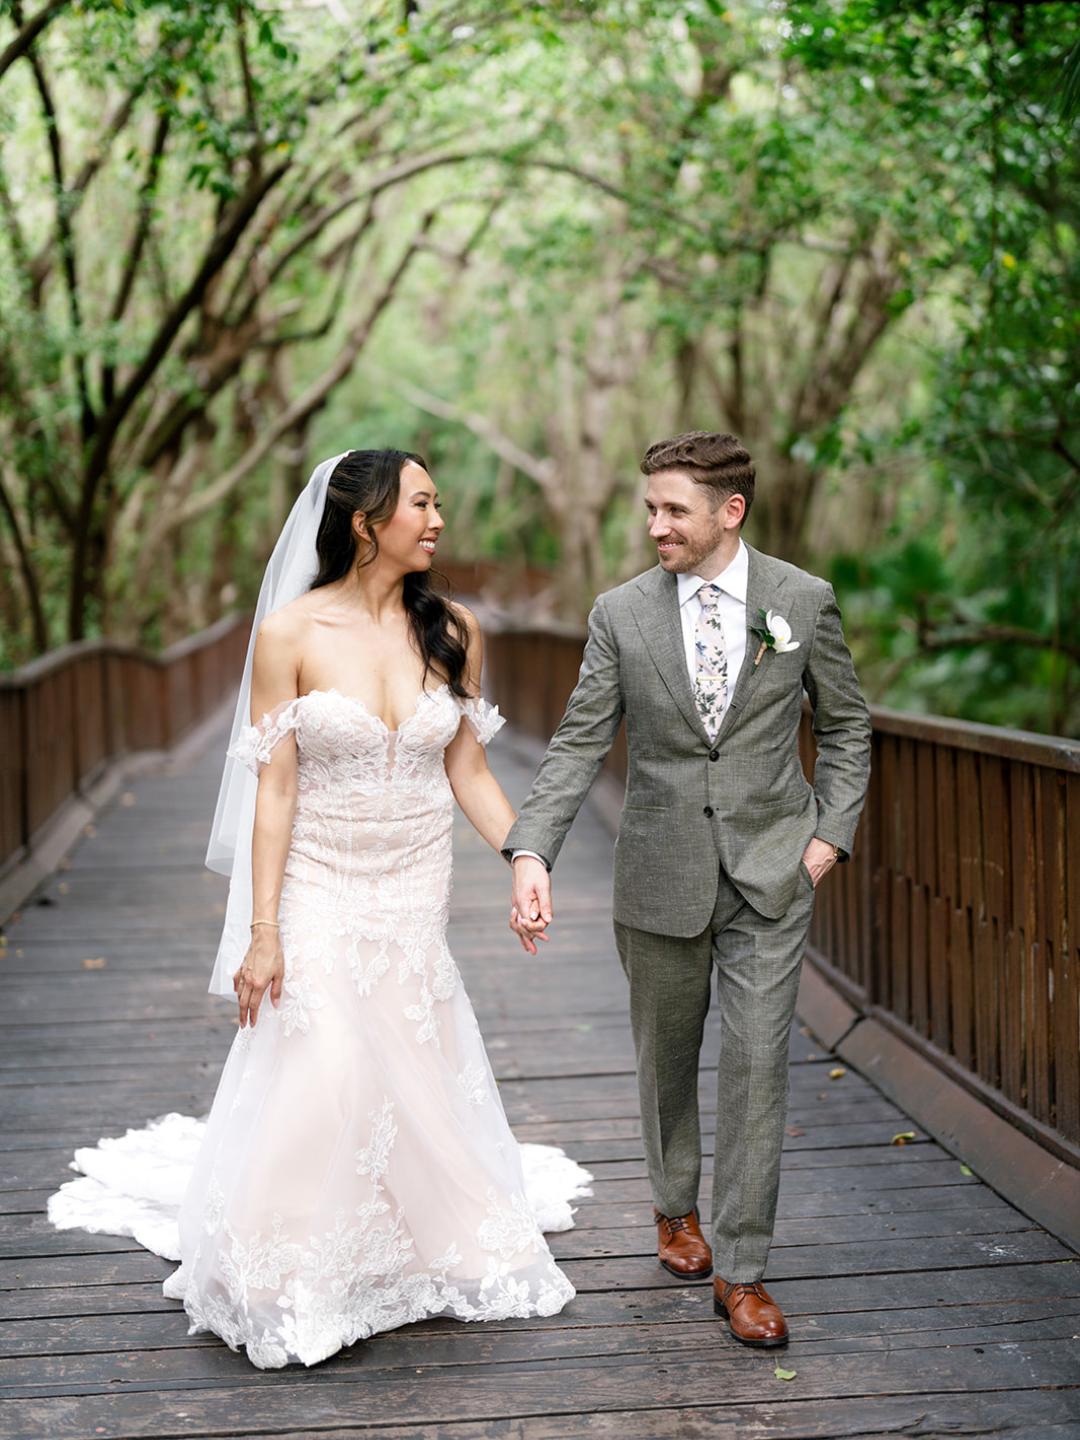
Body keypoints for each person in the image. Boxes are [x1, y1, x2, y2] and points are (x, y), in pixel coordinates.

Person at [48, 448, 591, 1369]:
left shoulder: (454, 629)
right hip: (320, 882)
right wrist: (263, 932)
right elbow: (275, 793)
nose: (438, 520)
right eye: (421, 503)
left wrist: (525, 856)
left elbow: (466, 767)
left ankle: (411, 1237)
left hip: (414, 883)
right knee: (330, 1057)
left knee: (410, 1058)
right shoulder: (290, 635)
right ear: (365, 521)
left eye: (438, 502)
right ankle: (291, 1263)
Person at [505, 431, 871, 1349]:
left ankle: (743, 1274)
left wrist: (825, 840)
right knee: (666, 1060)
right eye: (651, 510)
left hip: (773, 874)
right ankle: (676, 1210)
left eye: (674, 510)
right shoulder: (620, 614)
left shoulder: (801, 600)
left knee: (755, 1072)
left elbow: (850, 727)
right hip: (660, 874)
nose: (656, 526)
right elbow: (580, 741)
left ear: (729, 512)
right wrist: (531, 851)